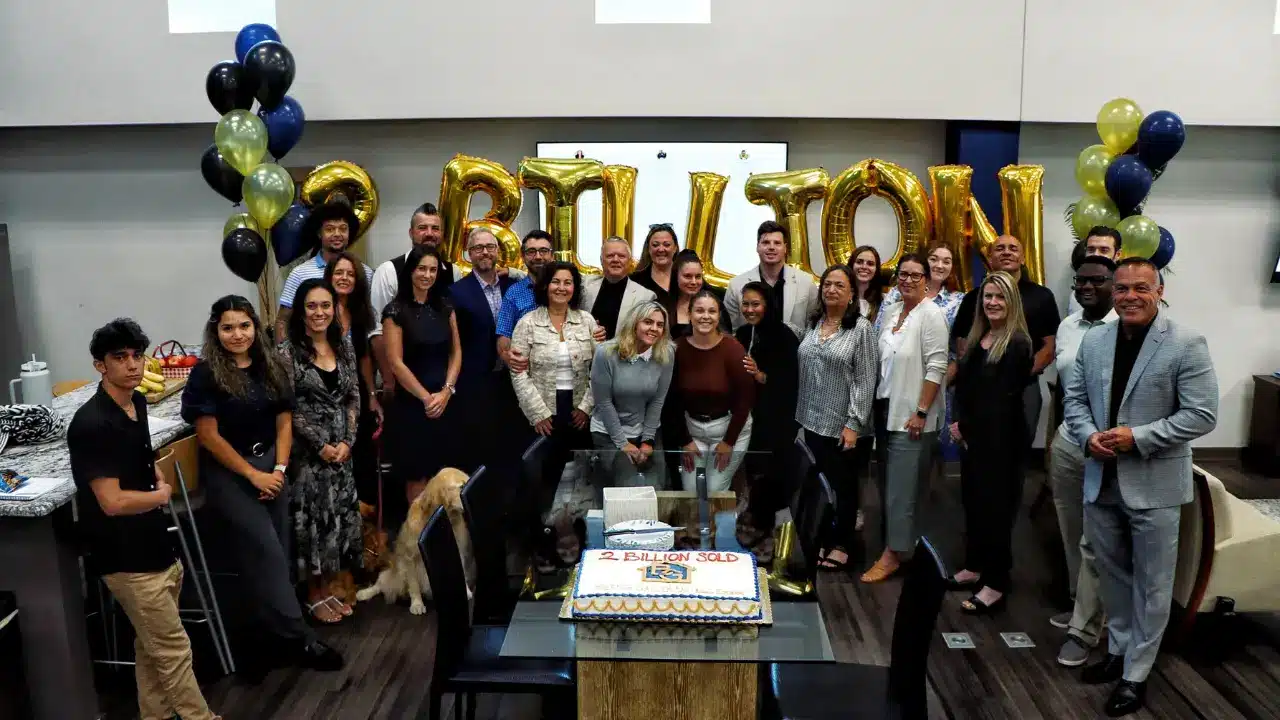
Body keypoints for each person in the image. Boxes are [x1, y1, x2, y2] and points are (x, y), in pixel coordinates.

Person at [1064, 258, 1218, 717]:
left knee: (1153, 585)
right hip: (1101, 478)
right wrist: (1088, 435)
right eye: (1123, 288)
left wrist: (1139, 439)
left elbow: (1202, 415)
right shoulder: (1095, 340)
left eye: (1141, 288)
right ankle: (1119, 650)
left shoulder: (1187, 343)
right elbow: (1074, 399)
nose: (1130, 296)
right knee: (1112, 578)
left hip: (1155, 483)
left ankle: (1136, 674)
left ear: (1160, 290)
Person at [181, 295, 342, 679]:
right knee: (266, 552)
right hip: (231, 473)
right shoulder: (206, 374)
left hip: (272, 467)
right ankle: (301, 636)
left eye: (244, 326)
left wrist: (280, 467)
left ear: (256, 327)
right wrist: (253, 475)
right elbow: (208, 436)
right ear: (215, 331)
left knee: (277, 554)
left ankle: (265, 635)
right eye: (228, 327)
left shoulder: (270, 367)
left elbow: (284, 422)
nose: (237, 335)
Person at [68, 319, 222, 720]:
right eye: (120, 358)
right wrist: (160, 494)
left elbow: (135, 459)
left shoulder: (135, 402)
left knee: (152, 648)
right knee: (173, 648)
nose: (133, 366)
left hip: (154, 540)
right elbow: (112, 502)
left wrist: (152, 471)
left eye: (137, 356)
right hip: (123, 554)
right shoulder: (92, 423)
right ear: (100, 365)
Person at [948, 272, 1033, 615]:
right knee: (973, 503)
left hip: (1001, 441)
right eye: (988, 297)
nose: (993, 303)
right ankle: (975, 565)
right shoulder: (979, 336)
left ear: (1011, 302)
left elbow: (998, 400)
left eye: (1000, 297)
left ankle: (996, 582)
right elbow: (967, 389)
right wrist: (958, 423)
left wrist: (966, 425)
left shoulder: (1017, 344)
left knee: (996, 511)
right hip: (973, 438)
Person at [279, 280, 363, 624]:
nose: (319, 313)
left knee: (338, 523)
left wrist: (347, 442)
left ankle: (329, 587)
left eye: (325, 306)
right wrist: (322, 445)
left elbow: (354, 396)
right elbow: (289, 408)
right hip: (308, 457)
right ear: (301, 310)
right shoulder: (287, 354)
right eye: (312, 306)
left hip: (342, 453)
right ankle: (313, 595)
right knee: (312, 527)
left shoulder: (343, 347)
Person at [1049, 255, 1117, 668]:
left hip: (1106, 445)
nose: (1087, 286)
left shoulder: (1125, 327)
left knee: (1096, 535)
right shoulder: (1067, 326)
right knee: (1070, 525)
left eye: (1097, 280)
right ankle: (1081, 605)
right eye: (1081, 280)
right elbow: (1064, 386)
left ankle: (1085, 627)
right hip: (1067, 441)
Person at [862, 254, 948, 583]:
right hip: (887, 409)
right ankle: (902, 546)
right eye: (903, 274)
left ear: (927, 280)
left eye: (916, 275)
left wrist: (922, 410)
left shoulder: (932, 314)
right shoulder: (895, 312)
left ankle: (893, 555)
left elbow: (938, 366)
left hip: (913, 416)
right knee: (890, 484)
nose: (908, 280)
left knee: (902, 488)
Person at [510, 261, 598, 559]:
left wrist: (586, 407)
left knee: (581, 482)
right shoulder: (527, 323)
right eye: (556, 282)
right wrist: (538, 414)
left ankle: (581, 543)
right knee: (542, 486)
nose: (562, 288)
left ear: (575, 289)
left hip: (578, 418)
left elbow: (600, 371)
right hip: (543, 418)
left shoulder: (586, 321)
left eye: (568, 282)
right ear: (545, 286)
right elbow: (518, 372)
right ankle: (541, 550)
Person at [796, 268, 876, 571]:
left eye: (839, 285)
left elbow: (866, 380)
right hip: (812, 419)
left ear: (851, 293)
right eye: (827, 284)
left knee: (844, 488)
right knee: (820, 485)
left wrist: (853, 424)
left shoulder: (861, 329)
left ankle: (842, 544)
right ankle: (823, 536)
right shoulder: (814, 323)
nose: (831, 289)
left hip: (843, 426)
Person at [950, 234, 1059, 446]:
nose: (1006, 252)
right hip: (976, 388)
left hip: (1024, 387)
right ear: (989, 258)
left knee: (1014, 452)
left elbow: (1050, 346)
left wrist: (1014, 376)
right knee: (972, 449)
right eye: (999, 248)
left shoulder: (1042, 296)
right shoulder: (973, 298)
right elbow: (963, 346)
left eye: (1013, 248)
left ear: (1023, 258)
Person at [382, 245, 463, 527]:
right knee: (417, 478)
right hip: (413, 408)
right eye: (421, 269)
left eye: (432, 269)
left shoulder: (444, 306)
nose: (427, 275)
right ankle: (416, 543)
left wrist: (447, 391)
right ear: (411, 272)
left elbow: (456, 352)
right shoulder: (395, 310)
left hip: (446, 403)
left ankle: (443, 539)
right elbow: (395, 362)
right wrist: (427, 398)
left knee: (443, 473)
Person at [664, 290, 756, 492]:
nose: (705, 316)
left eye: (712, 311)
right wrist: (685, 441)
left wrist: (728, 442)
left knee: (715, 492)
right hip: (692, 431)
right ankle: (696, 525)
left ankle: (721, 524)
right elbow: (671, 401)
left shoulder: (733, 349)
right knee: (692, 492)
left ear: (718, 316)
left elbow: (745, 400)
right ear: (689, 314)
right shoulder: (676, 349)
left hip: (729, 428)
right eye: (699, 310)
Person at [450, 227, 519, 472]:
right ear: (469, 254)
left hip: (512, 383)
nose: (485, 252)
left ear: (498, 251)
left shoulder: (514, 287)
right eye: (478, 248)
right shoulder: (456, 293)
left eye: (490, 247)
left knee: (511, 452)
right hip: (475, 386)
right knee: (479, 454)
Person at [736, 281, 801, 541]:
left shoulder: (784, 337)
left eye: (756, 304)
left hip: (777, 422)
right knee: (753, 473)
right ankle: (755, 525)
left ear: (768, 305)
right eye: (746, 304)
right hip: (748, 418)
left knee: (772, 476)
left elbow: (791, 381)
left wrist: (761, 375)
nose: (750, 310)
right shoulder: (741, 334)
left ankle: (770, 536)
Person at [589, 300, 674, 489]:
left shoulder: (666, 353)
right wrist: (623, 443)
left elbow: (657, 401)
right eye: (648, 322)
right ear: (635, 323)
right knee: (626, 487)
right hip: (609, 432)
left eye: (660, 325)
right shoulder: (606, 352)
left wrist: (647, 441)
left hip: (646, 430)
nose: (654, 329)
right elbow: (603, 403)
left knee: (655, 488)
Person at [369, 204, 447, 400]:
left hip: (442, 386)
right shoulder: (388, 271)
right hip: (401, 384)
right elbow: (377, 333)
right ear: (411, 232)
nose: (429, 234)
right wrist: (389, 380)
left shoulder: (452, 271)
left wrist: (449, 387)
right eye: (422, 228)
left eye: (435, 228)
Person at [323, 252, 380, 504]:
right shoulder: (319, 309)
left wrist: (372, 397)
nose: (344, 278)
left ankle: (364, 532)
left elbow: (365, 358)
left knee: (363, 463)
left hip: (355, 398)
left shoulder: (360, 313)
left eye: (350, 274)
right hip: (325, 399)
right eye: (339, 273)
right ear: (329, 276)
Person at [276, 202, 374, 340]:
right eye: (330, 229)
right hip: (312, 354)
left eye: (343, 229)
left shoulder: (365, 272)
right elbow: (282, 321)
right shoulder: (300, 273)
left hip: (357, 353)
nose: (337, 234)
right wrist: (284, 355)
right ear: (319, 233)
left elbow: (372, 317)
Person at [724, 220, 820, 335]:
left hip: (793, 351)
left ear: (785, 248)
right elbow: (729, 331)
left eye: (777, 243)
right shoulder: (736, 285)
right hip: (749, 351)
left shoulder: (806, 282)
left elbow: (813, 328)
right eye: (766, 242)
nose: (771, 247)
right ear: (757, 247)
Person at [497, 230, 557, 370]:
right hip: (526, 373)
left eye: (543, 251)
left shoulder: (565, 289)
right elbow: (504, 336)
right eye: (531, 251)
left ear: (552, 255)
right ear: (523, 256)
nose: (537, 256)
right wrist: (509, 358)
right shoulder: (513, 293)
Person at [581, 236, 656, 340]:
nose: (615, 260)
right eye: (610, 256)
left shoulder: (645, 296)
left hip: (624, 354)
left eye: (621, 256)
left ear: (630, 261)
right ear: (601, 260)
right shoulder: (585, 286)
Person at [666, 251, 730, 340]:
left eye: (698, 276)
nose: (694, 282)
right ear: (676, 276)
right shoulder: (663, 303)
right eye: (687, 276)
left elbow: (726, 337)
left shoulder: (715, 302)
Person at [1066, 227, 1122, 315]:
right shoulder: (1078, 294)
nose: (1096, 254)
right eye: (1091, 250)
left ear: (1118, 254)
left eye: (1104, 250)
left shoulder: (1128, 291)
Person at [630, 223, 680, 305]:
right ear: (648, 249)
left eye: (666, 245)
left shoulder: (689, 278)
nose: (661, 249)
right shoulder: (634, 281)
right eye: (655, 245)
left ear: (675, 248)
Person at [849, 245, 886, 325]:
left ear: (876, 269)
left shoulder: (885, 302)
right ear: (851, 265)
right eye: (859, 262)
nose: (864, 267)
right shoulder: (841, 297)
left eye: (870, 264)